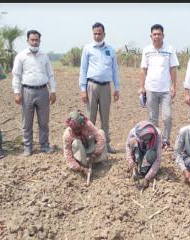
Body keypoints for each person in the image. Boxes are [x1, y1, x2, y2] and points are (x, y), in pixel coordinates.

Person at [12, 29, 57, 157]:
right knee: (27, 122)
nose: (35, 42)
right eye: (32, 40)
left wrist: (52, 91)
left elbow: (50, 75)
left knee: (44, 122)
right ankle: (28, 147)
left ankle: (44, 145)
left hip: (43, 91)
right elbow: (16, 75)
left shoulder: (44, 56)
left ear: (40, 41)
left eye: (37, 40)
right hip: (27, 91)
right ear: (28, 41)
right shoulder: (21, 56)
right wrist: (16, 92)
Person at [79, 22, 120, 154]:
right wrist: (83, 89)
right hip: (92, 86)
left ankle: (106, 145)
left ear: (104, 34)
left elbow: (115, 70)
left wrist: (117, 88)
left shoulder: (110, 50)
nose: (97, 36)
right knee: (90, 118)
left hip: (106, 87)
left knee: (105, 118)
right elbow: (83, 70)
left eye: (99, 33)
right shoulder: (87, 49)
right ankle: (89, 145)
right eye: (95, 33)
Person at [140, 24, 179, 151]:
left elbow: (173, 69)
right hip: (151, 89)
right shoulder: (146, 50)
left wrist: (174, 86)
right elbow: (143, 69)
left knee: (167, 117)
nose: (156, 36)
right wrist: (142, 87)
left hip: (165, 90)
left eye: (159, 34)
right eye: (154, 34)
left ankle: (166, 141)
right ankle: (154, 140)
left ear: (163, 35)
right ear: (151, 36)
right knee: (152, 117)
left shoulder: (169, 49)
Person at [62, 110, 107, 180]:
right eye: (75, 130)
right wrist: (80, 168)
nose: (77, 131)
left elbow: (100, 138)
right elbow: (68, 156)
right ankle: (84, 164)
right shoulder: (67, 135)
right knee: (76, 143)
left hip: (89, 146)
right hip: (79, 151)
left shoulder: (87, 124)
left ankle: (97, 161)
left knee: (101, 132)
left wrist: (95, 153)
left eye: (79, 129)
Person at [125, 121, 162, 189]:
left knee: (151, 154)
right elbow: (127, 145)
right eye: (143, 139)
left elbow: (158, 159)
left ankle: (143, 171)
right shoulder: (133, 132)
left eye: (147, 139)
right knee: (133, 142)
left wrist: (147, 178)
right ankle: (135, 165)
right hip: (139, 149)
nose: (146, 141)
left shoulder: (157, 134)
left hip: (148, 151)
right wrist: (130, 161)